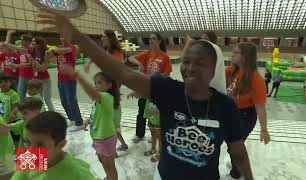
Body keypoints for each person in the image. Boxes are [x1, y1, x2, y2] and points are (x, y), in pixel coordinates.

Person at [37, 11, 253, 179]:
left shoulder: (225, 107)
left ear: (214, 68)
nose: (190, 67)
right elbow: (121, 71)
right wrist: (76, 36)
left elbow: (238, 151)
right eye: (186, 61)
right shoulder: (170, 91)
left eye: (200, 62)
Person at [61, 66, 119, 180]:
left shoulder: (107, 97)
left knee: (109, 165)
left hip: (105, 138)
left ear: (109, 85)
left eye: (100, 83)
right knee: (102, 159)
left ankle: (111, 177)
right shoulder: (99, 101)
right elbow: (97, 113)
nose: (96, 85)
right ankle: (108, 177)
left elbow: (93, 94)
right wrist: (88, 121)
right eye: (95, 83)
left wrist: (77, 76)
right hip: (98, 137)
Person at [226, 42, 270, 179]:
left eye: (236, 52)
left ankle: (237, 171)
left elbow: (260, 108)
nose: (232, 54)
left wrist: (264, 130)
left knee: (235, 147)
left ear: (245, 57)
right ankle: (236, 165)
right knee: (230, 145)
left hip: (245, 116)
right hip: (231, 114)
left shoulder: (256, 80)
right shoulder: (231, 71)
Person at [10, 111, 96, 180]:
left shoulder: (77, 172)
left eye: (40, 145)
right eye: (28, 142)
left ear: (61, 145)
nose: (31, 151)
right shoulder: (29, 158)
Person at [85, 30, 128, 151]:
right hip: (107, 87)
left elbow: (118, 70)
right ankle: (120, 145)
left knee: (111, 121)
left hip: (110, 88)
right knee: (109, 120)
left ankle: (111, 149)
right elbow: (97, 55)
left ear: (110, 38)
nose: (101, 37)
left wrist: (114, 88)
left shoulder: (116, 52)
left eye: (104, 36)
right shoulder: (108, 50)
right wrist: (89, 62)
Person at [128, 32, 172, 143]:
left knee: (156, 114)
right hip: (145, 88)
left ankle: (156, 135)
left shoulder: (165, 56)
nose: (151, 40)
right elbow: (131, 58)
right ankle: (139, 134)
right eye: (150, 39)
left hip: (157, 89)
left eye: (153, 38)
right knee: (142, 111)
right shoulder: (147, 54)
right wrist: (140, 64)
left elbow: (167, 74)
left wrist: (154, 78)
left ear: (159, 41)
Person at [46, 35, 83, 132]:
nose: (63, 39)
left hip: (69, 79)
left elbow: (65, 51)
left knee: (72, 102)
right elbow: (49, 55)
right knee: (64, 101)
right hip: (60, 79)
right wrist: (50, 52)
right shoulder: (58, 48)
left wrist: (53, 50)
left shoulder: (72, 47)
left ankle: (79, 122)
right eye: (61, 37)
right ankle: (72, 119)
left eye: (65, 36)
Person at [31, 36, 55, 111]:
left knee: (47, 99)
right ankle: (42, 113)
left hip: (45, 79)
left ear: (38, 43)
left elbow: (43, 68)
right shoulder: (34, 51)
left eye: (33, 41)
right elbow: (34, 66)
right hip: (36, 78)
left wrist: (34, 62)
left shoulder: (46, 53)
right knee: (38, 99)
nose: (32, 42)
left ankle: (52, 114)